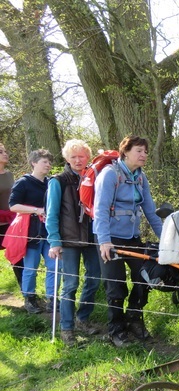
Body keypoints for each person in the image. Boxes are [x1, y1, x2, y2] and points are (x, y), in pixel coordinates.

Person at [93, 135, 163, 348]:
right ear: (125, 152)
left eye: (145, 151)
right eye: (139, 151)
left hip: (132, 238)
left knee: (144, 277)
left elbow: (151, 212)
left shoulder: (141, 178)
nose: (144, 155)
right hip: (110, 239)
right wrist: (104, 241)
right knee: (115, 286)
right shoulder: (109, 175)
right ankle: (116, 330)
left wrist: (166, 240)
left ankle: (134, 319)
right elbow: (101, 209)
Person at [46, 139, 102, 346]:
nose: (78, 160)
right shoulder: (58, 181)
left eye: (82, 156)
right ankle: (67, 328)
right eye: (73, 157)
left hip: (91, 238)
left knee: (94, 279)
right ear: (67, 159)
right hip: (67, 240)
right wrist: (54, 241)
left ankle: (83, 318)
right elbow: (51, 214)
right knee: (70, 285)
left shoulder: (95, 178)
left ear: (88, 157)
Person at [9, 149, 57, 313]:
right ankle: (30, 299)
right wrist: (36, 210)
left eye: (49, 162)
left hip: (50, 232)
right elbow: (13, 205)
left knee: (54, 265)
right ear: (34, 163)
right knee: (31, 267)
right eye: (45, 162)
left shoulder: (51, 183)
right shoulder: (23, 182)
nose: (48, 165)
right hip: (30, 231)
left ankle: (52, 300)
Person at [0, 143, 23, 288]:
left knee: (18, 257)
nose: (5, 153)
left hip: (11, 224)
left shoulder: (9, 175)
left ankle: (26, 292)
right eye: (0, 151)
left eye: (5, 150)